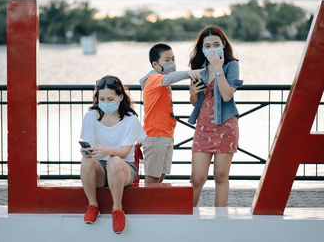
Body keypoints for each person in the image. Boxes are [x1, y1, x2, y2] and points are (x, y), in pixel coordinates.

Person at [80, 75, 146, 234]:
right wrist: (86, 151)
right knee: (86, 160)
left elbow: (124, 152)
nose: (105, 103)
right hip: (101, 169)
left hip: (124, 169)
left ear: (120, 97)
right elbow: (88, 145)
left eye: (110, 99)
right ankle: (92, 205)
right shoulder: (91, 116)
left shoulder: (130, 119)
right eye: (101, 99)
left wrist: (107, 151)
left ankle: (117, 210)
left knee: (114, 161)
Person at [188, 25, 243, 207]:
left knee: (220, 175)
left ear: (224, 44)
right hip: (203, 127)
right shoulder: (198, 68)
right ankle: (190, 214)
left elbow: (227, 95)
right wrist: (193, 93)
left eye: (216, 44)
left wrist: (219, 69)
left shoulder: (231, 65)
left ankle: (220, 219)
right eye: (208, 45)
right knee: (197, 178)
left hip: (226, 125)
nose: (212, 48)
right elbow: (195, 102)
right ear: (202, 49)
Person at [139, 43, 204, 183]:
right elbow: (170, 78)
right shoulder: (154, 78)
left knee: (161, 176)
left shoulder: (162, 80)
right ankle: (147, 205)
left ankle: (155, 204)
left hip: (166, 134)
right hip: (155, 135)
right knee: (152, 179)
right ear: (155, 64)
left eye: (173, 59)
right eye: (167, 60)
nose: (172, 63)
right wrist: (188, 73)